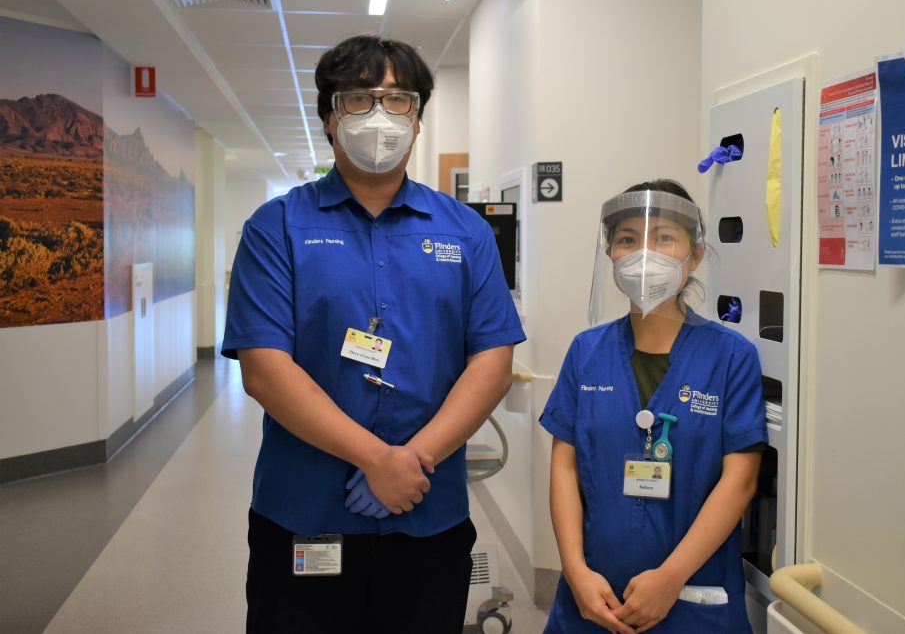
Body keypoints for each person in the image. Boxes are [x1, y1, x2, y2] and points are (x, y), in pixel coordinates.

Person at [222, 35, 526, 633]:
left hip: (426, 511)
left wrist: (413, 459)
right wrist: (375, 458)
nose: (381, 116)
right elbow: (263, 369)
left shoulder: (466, 232)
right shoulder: (276, 228)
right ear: (329, 119)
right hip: (307, 511)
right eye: (360, 99)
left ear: (417, 122)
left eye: (399, 100)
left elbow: (493, 359)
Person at [539, 180, 766, 633]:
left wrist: (670, 577)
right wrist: (576, 571)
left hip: (691, 593)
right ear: (610, 256)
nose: (644, 255)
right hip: (594, 594)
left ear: (695, 254)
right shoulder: (586, 352)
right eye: (627, 240)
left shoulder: (731, 356)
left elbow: (739, 482)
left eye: (663, 237)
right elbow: (564, 468)